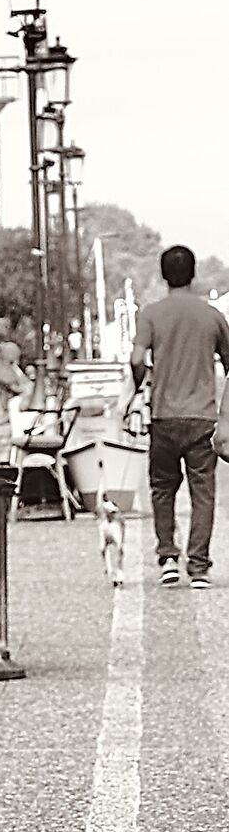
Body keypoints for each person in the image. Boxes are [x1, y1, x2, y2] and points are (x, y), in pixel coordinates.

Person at [131, 245, 229, 587]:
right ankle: (199, 567)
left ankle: (169, 558)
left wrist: (139, 387)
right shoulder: (212, 316)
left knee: (162, 488)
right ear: (194, 273)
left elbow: (136, 358)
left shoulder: (151, 314)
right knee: (203, 493)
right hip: (202, 417)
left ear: (162, 275)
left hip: (164, 417)